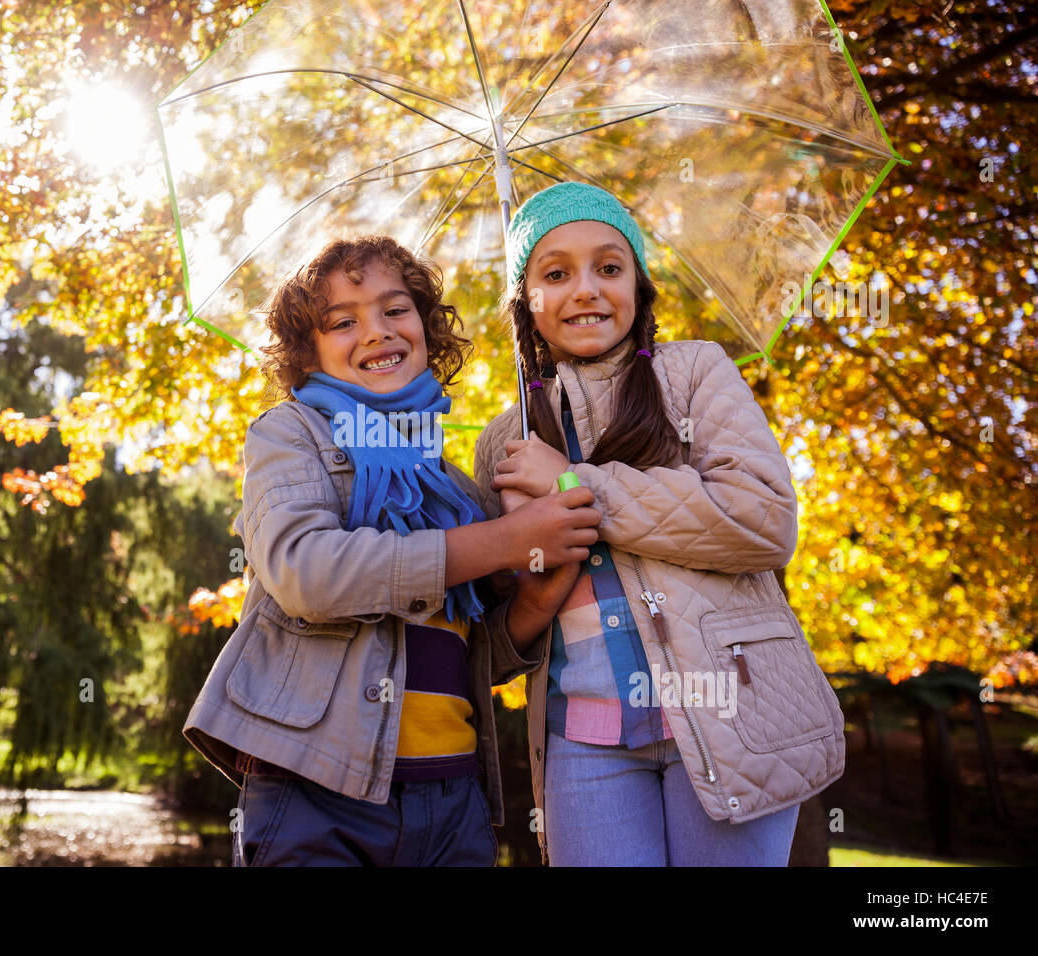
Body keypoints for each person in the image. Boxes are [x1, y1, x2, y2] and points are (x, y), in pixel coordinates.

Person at [184, 235, 598, 866]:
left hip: (453, 797)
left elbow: (473, 658)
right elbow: (308, 574)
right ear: (307, 353)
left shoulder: (456, 488)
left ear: (429, 329)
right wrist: (501, 540)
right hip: (318, 789)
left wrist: (539, 589)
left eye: (396, 310)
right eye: (343, 322)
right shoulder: (291, 435)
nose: (376, 331)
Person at [473, 182, 846, 866]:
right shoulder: (507, 443)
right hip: (583, 739)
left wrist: (576, 486)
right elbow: (495, 642)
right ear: (526, 301)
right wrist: (531, 573)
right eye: (555, 273)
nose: (585, 289)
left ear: (639, 288)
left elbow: (762, 522)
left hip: (731, 718)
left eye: (608, 268)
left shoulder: (694, 374)